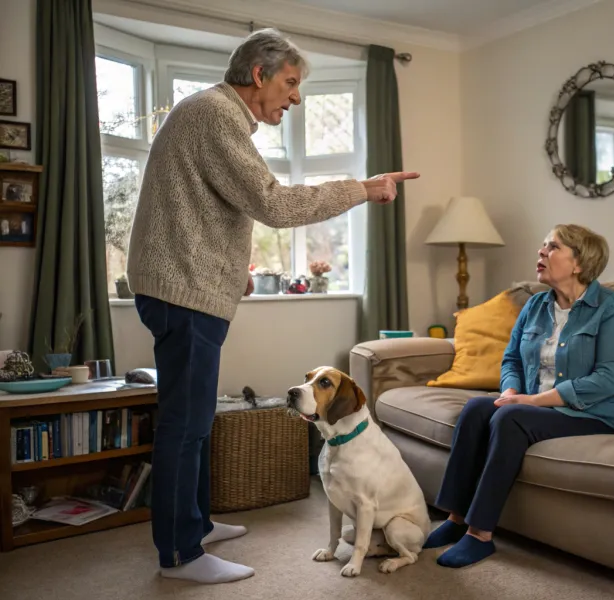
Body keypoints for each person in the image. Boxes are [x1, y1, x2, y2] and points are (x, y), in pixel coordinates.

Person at [126, 28, 419, 584]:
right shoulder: (214, 113)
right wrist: (363, 188)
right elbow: (273, 204)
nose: (296, 97)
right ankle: (179, 555)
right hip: (182, 292)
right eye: (289, 83)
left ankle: (195, 524)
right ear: (257, 75)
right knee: (184, 427)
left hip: (188, 287)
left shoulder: (214, 116)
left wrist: (232, 270)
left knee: (196, 422)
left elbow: (206, 206)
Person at [422, 224, 614, 568]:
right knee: (478, 408)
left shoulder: (611, 309)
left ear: (579, 262)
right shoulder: (536, 305)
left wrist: (533, 401)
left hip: (594, 413)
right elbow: (511, 360)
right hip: (536, 404)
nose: (541, 252)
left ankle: (480, 534)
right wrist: (509, 391)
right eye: (543, 245)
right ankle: (455, 518)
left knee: (510, 417)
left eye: (553, 247)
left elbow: (609, 379)